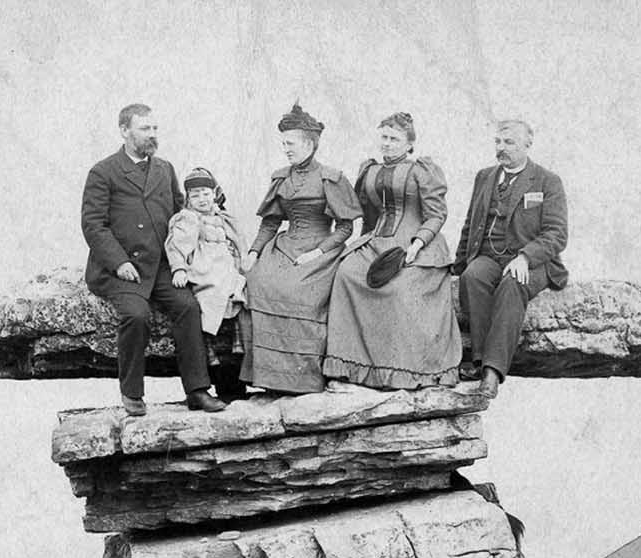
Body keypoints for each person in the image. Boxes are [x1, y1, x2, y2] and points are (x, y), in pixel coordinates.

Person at [81, 104, 226, 415]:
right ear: (124, 131)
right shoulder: (103, 172)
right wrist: (120, 262)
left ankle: (198, 390)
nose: (152, 135)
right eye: (145, 129)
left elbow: (180, 215)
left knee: (187, 307)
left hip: (161, 264)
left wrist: (187, 257)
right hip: (120, 269)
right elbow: (93, 225)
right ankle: (132, 393)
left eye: (155, 129)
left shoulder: (164, 169)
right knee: (136, 315)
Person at [323, 112, 460, 389]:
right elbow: (370, 218)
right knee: (346, 274)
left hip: (418, 244)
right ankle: (354, 367)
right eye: (384, 137)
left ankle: (405, 371)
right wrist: (360, 246)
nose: (386, 144)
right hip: (378, 241)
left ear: (409, 144)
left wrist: (418, 243)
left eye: (394, 139)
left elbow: (436, 215)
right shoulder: (370, 170)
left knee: (400, 290)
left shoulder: (422, 170)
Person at [239, 103, 362, 394]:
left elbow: (345, 227)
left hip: (321, 249)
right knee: (259, 281)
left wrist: (318, 252)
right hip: (284, 246)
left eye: (290, 143)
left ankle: (303, 379)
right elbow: (270, 223)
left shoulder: (331, 177)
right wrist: (254, 252)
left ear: (309, 143)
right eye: (283, 143)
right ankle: (267, 376)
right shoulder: (281, 177)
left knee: (298, 292)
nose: (286, 149)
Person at [453, 119, 569, 397]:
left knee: (511, 285)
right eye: (498, 142)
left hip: (533, 262)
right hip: (489, 255)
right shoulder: (484, 177)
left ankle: (492, 373)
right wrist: (458, 264)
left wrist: (526, 258)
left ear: (528, 145)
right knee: (473, 276)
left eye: (509, 142)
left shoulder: (547, 181)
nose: (501, 148)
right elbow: (470, 224)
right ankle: (479, 361)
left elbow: (557, 233)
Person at [164, 167, 246, 342]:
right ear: (188, 199)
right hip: (203, 265)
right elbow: (177, 245)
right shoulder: (189, 218)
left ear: (214, 194)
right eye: (195, 196)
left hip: (224, 264)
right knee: (210, 292)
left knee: (238, 283)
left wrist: (242, 259)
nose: (201, 199)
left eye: (205, 194)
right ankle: (207, 341)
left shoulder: (222, 217)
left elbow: (237, 240)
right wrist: (179, 269)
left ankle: (238, 334)